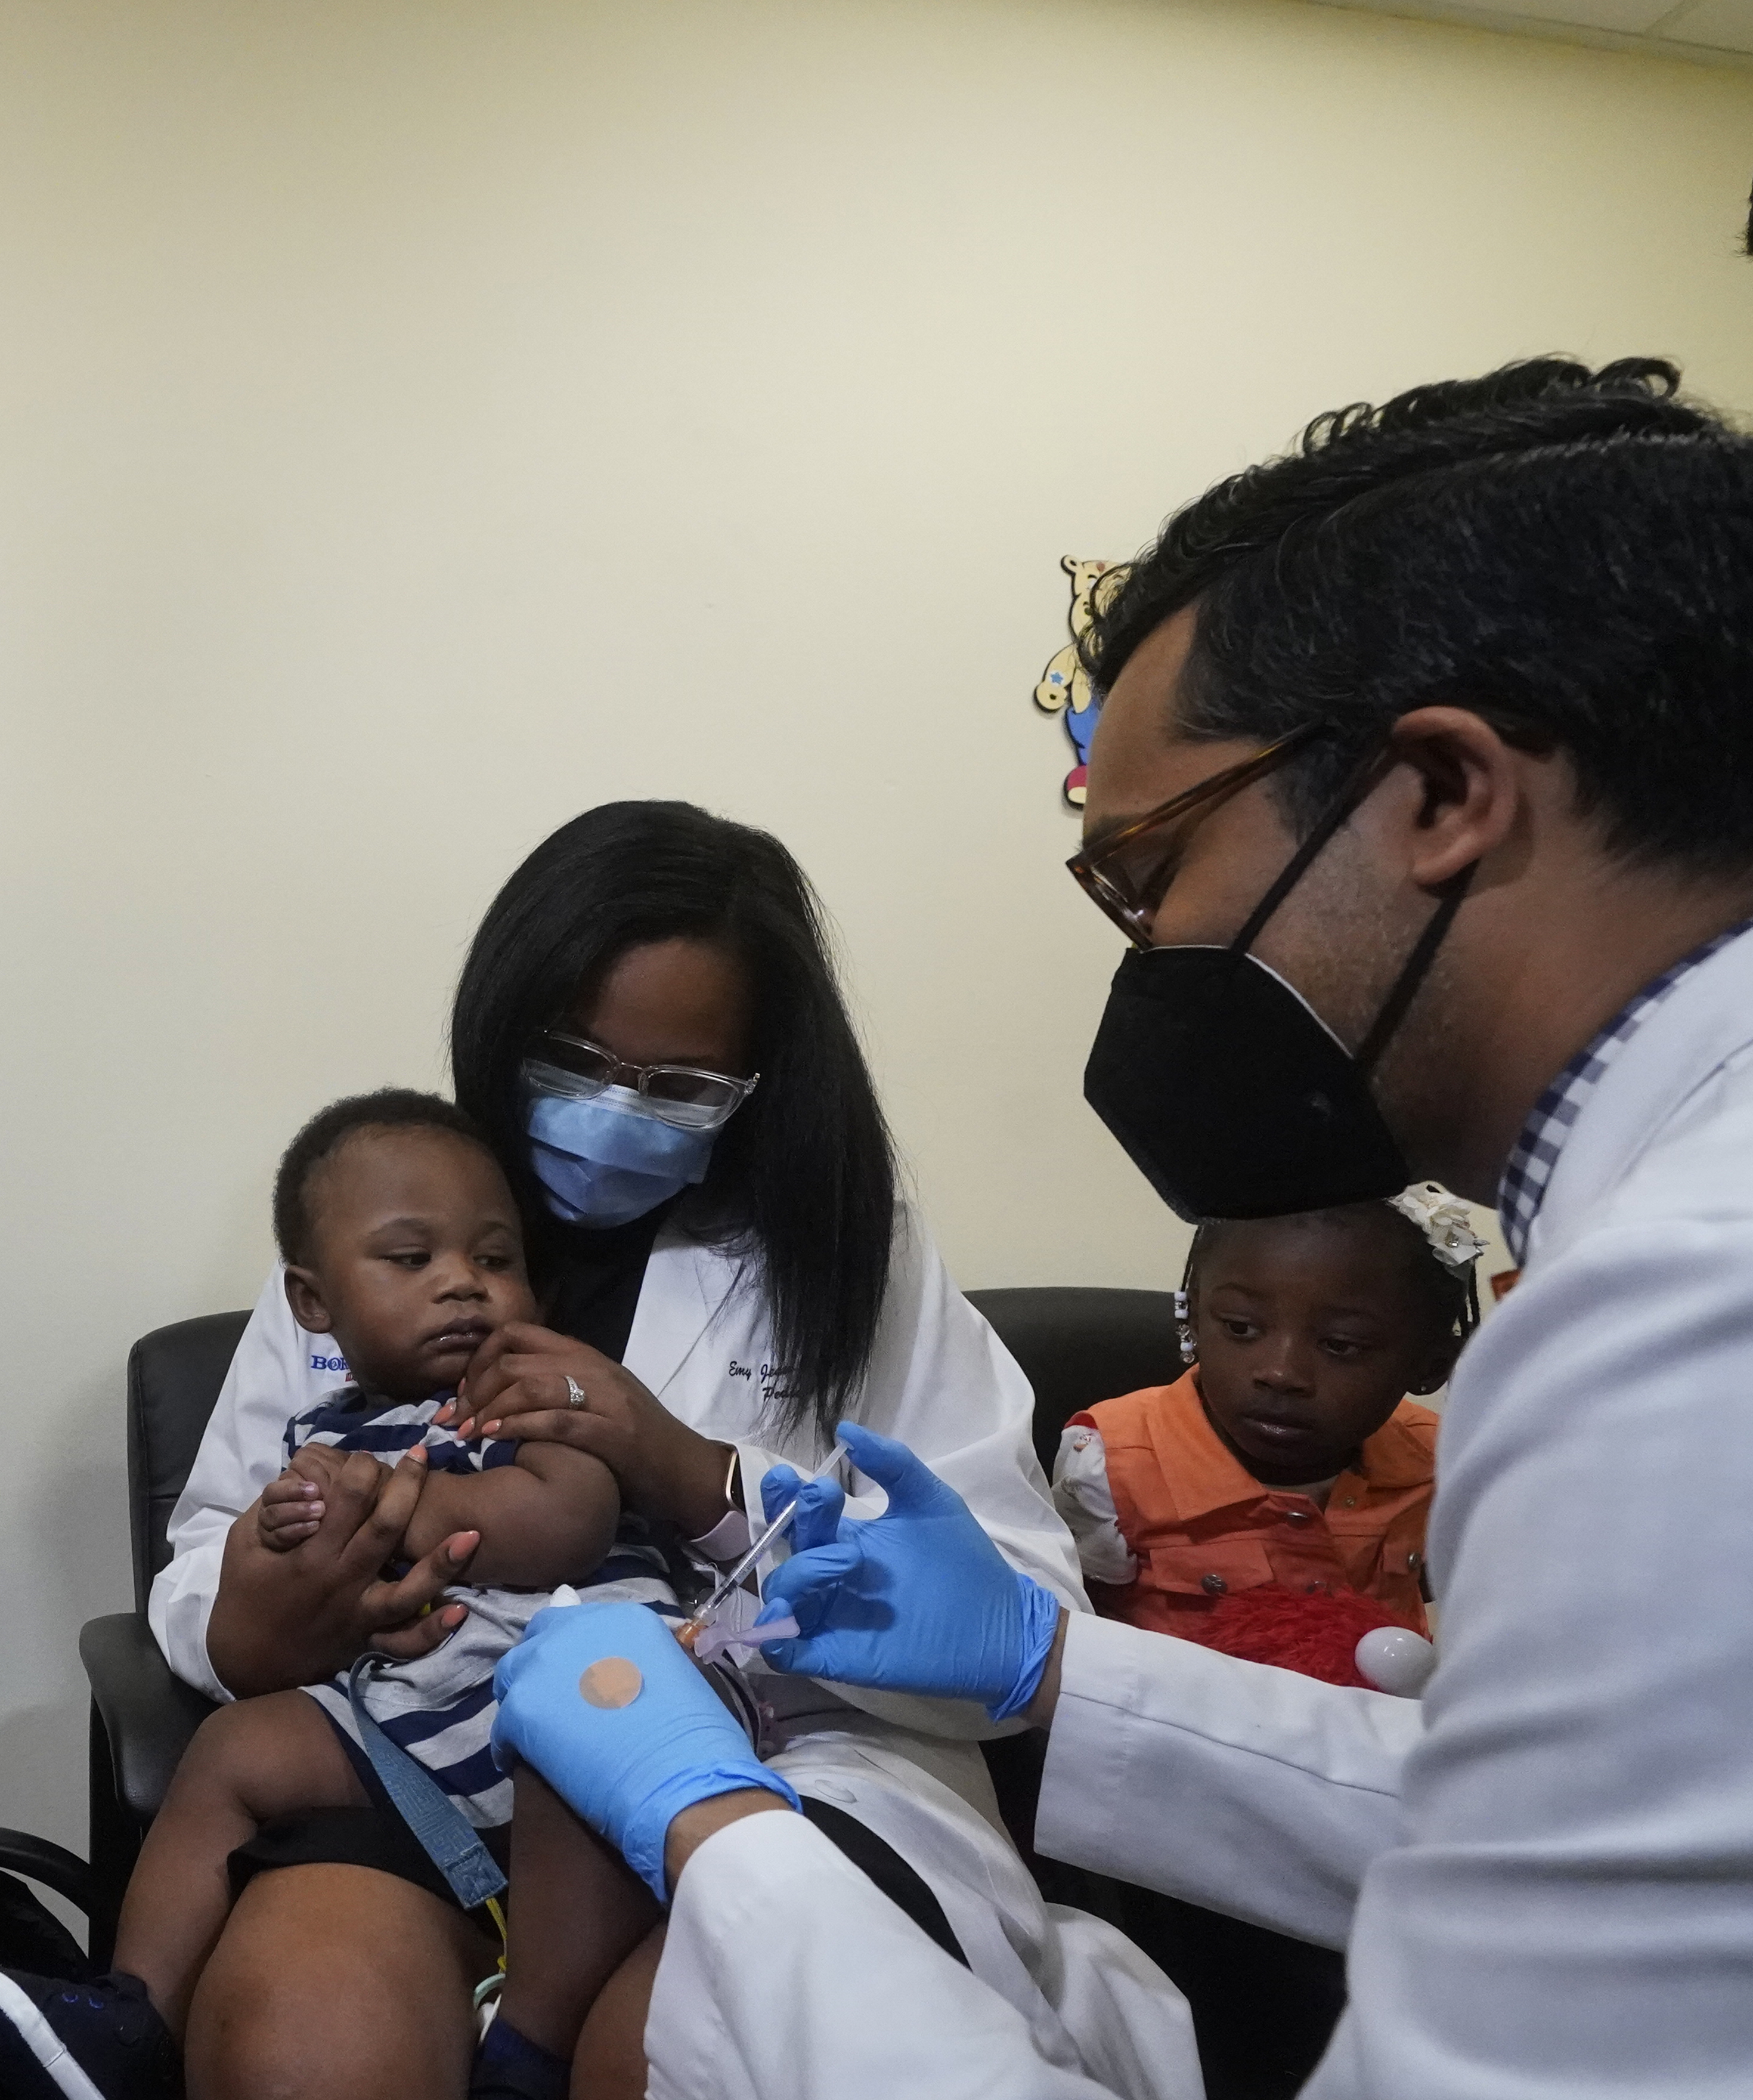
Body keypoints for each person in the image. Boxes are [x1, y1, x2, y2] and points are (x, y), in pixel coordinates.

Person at [492, 355, 1753, 2096]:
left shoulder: (1681, 1319)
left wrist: (723, 1841)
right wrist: (1038, 1672)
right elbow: (1563, 1847)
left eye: (1147, 869)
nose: (1140, 950)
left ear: (1442, 795)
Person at [148, 805, 1193, 2100]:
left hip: (776, 1765)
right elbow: (208, 1553)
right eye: (575, 1058)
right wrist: (270, 1601)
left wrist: (689, 1473)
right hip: (417, 1748)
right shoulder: (382, 1215)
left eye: (680, 1086)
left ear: (757, 1079)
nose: (614, 1112)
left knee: (662, 2045)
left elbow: (1024, 1611)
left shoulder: (847, 1252)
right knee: (305, 2042)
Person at [0, 1091, 694, 2099]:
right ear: (312, 1303)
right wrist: (287, 1539)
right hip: (412, 1729)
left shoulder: (531, 1390)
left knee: (596, 1748)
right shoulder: (326, 1429)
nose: (462, 1287)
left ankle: (532, 2048)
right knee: (238, 1747)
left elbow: (571, 1520)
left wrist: (407, 1505)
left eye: (494, 1259)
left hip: (570, 1713)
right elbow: (255, 1575)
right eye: (410, 1260)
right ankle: (130, 2015)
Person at [1054, 1187, 1475, 1649]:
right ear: (1191, 1314)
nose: (1280, 1372)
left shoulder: (1439, 1459)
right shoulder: (1109, 1464)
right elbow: (1082, 1625)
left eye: (1341, 1345)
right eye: (1240, 1327)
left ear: (1430, 1365)